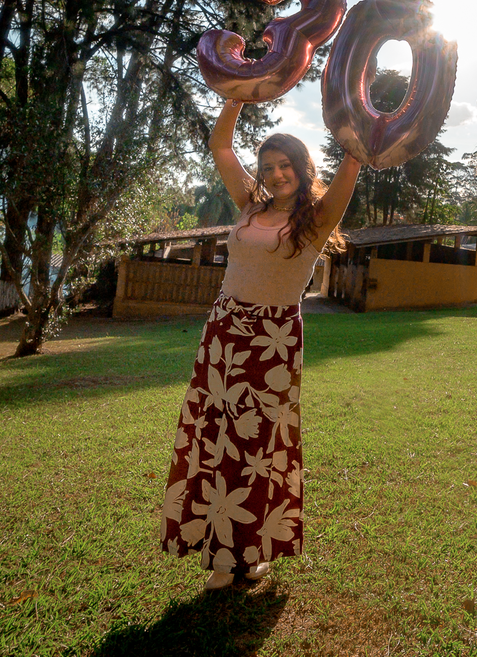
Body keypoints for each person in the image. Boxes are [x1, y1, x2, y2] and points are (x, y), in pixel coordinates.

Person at [160, 98, 361, 591]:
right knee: (214, 438)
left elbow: (352, 162)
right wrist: (236, 95)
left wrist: (358, 120)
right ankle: (221, 549)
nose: (275, 174)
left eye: (285, 164)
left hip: (272, 342)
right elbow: (221, 145)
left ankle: (242, 556)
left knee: (254, 448)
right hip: (224, 331)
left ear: (302, 166)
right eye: (268, 167)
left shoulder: (317, 220)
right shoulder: (251, 205)